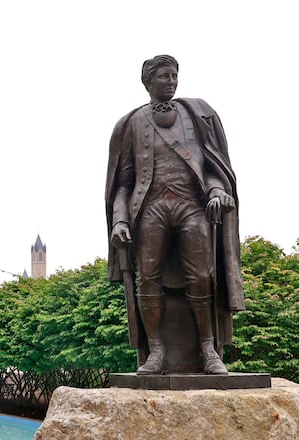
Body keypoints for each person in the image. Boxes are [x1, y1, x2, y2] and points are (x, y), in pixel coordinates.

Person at [105, 54, 244, 375]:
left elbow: (211, 165)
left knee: (202, 276)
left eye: (174, 76)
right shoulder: (130, 123)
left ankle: (208, 349)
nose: (171, 82)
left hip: (191, 206)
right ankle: (156, 352)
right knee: (147, 278)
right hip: (149, 209)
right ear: (148, 81)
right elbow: (123, 183)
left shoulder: (197, 114)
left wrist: (216, 191)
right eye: (163, 76)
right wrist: (120, 220)